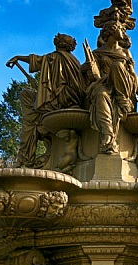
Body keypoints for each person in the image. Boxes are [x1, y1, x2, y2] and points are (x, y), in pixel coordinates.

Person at [5, 34, 86, 167]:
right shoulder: (74, 60)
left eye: (57, 41)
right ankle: (28, 154)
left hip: (59, 101)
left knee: (30, 122)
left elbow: (37, 60)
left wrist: (18, 57)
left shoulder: (55, 57)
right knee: (26, 95)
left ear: (59, 44)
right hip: (67, 100)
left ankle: (26, 159)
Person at [83, 24, 138, 154]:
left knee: (117, 66)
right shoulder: (97, 53)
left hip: (123, 85)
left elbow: (132, 74)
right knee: (101, 94)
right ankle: (108, 135)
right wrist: (87, 67)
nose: (123, 32)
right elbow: (86, 73)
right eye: (120, 29)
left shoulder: (125, 52)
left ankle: (121, 98)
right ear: (111, 32)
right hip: (104, 83)